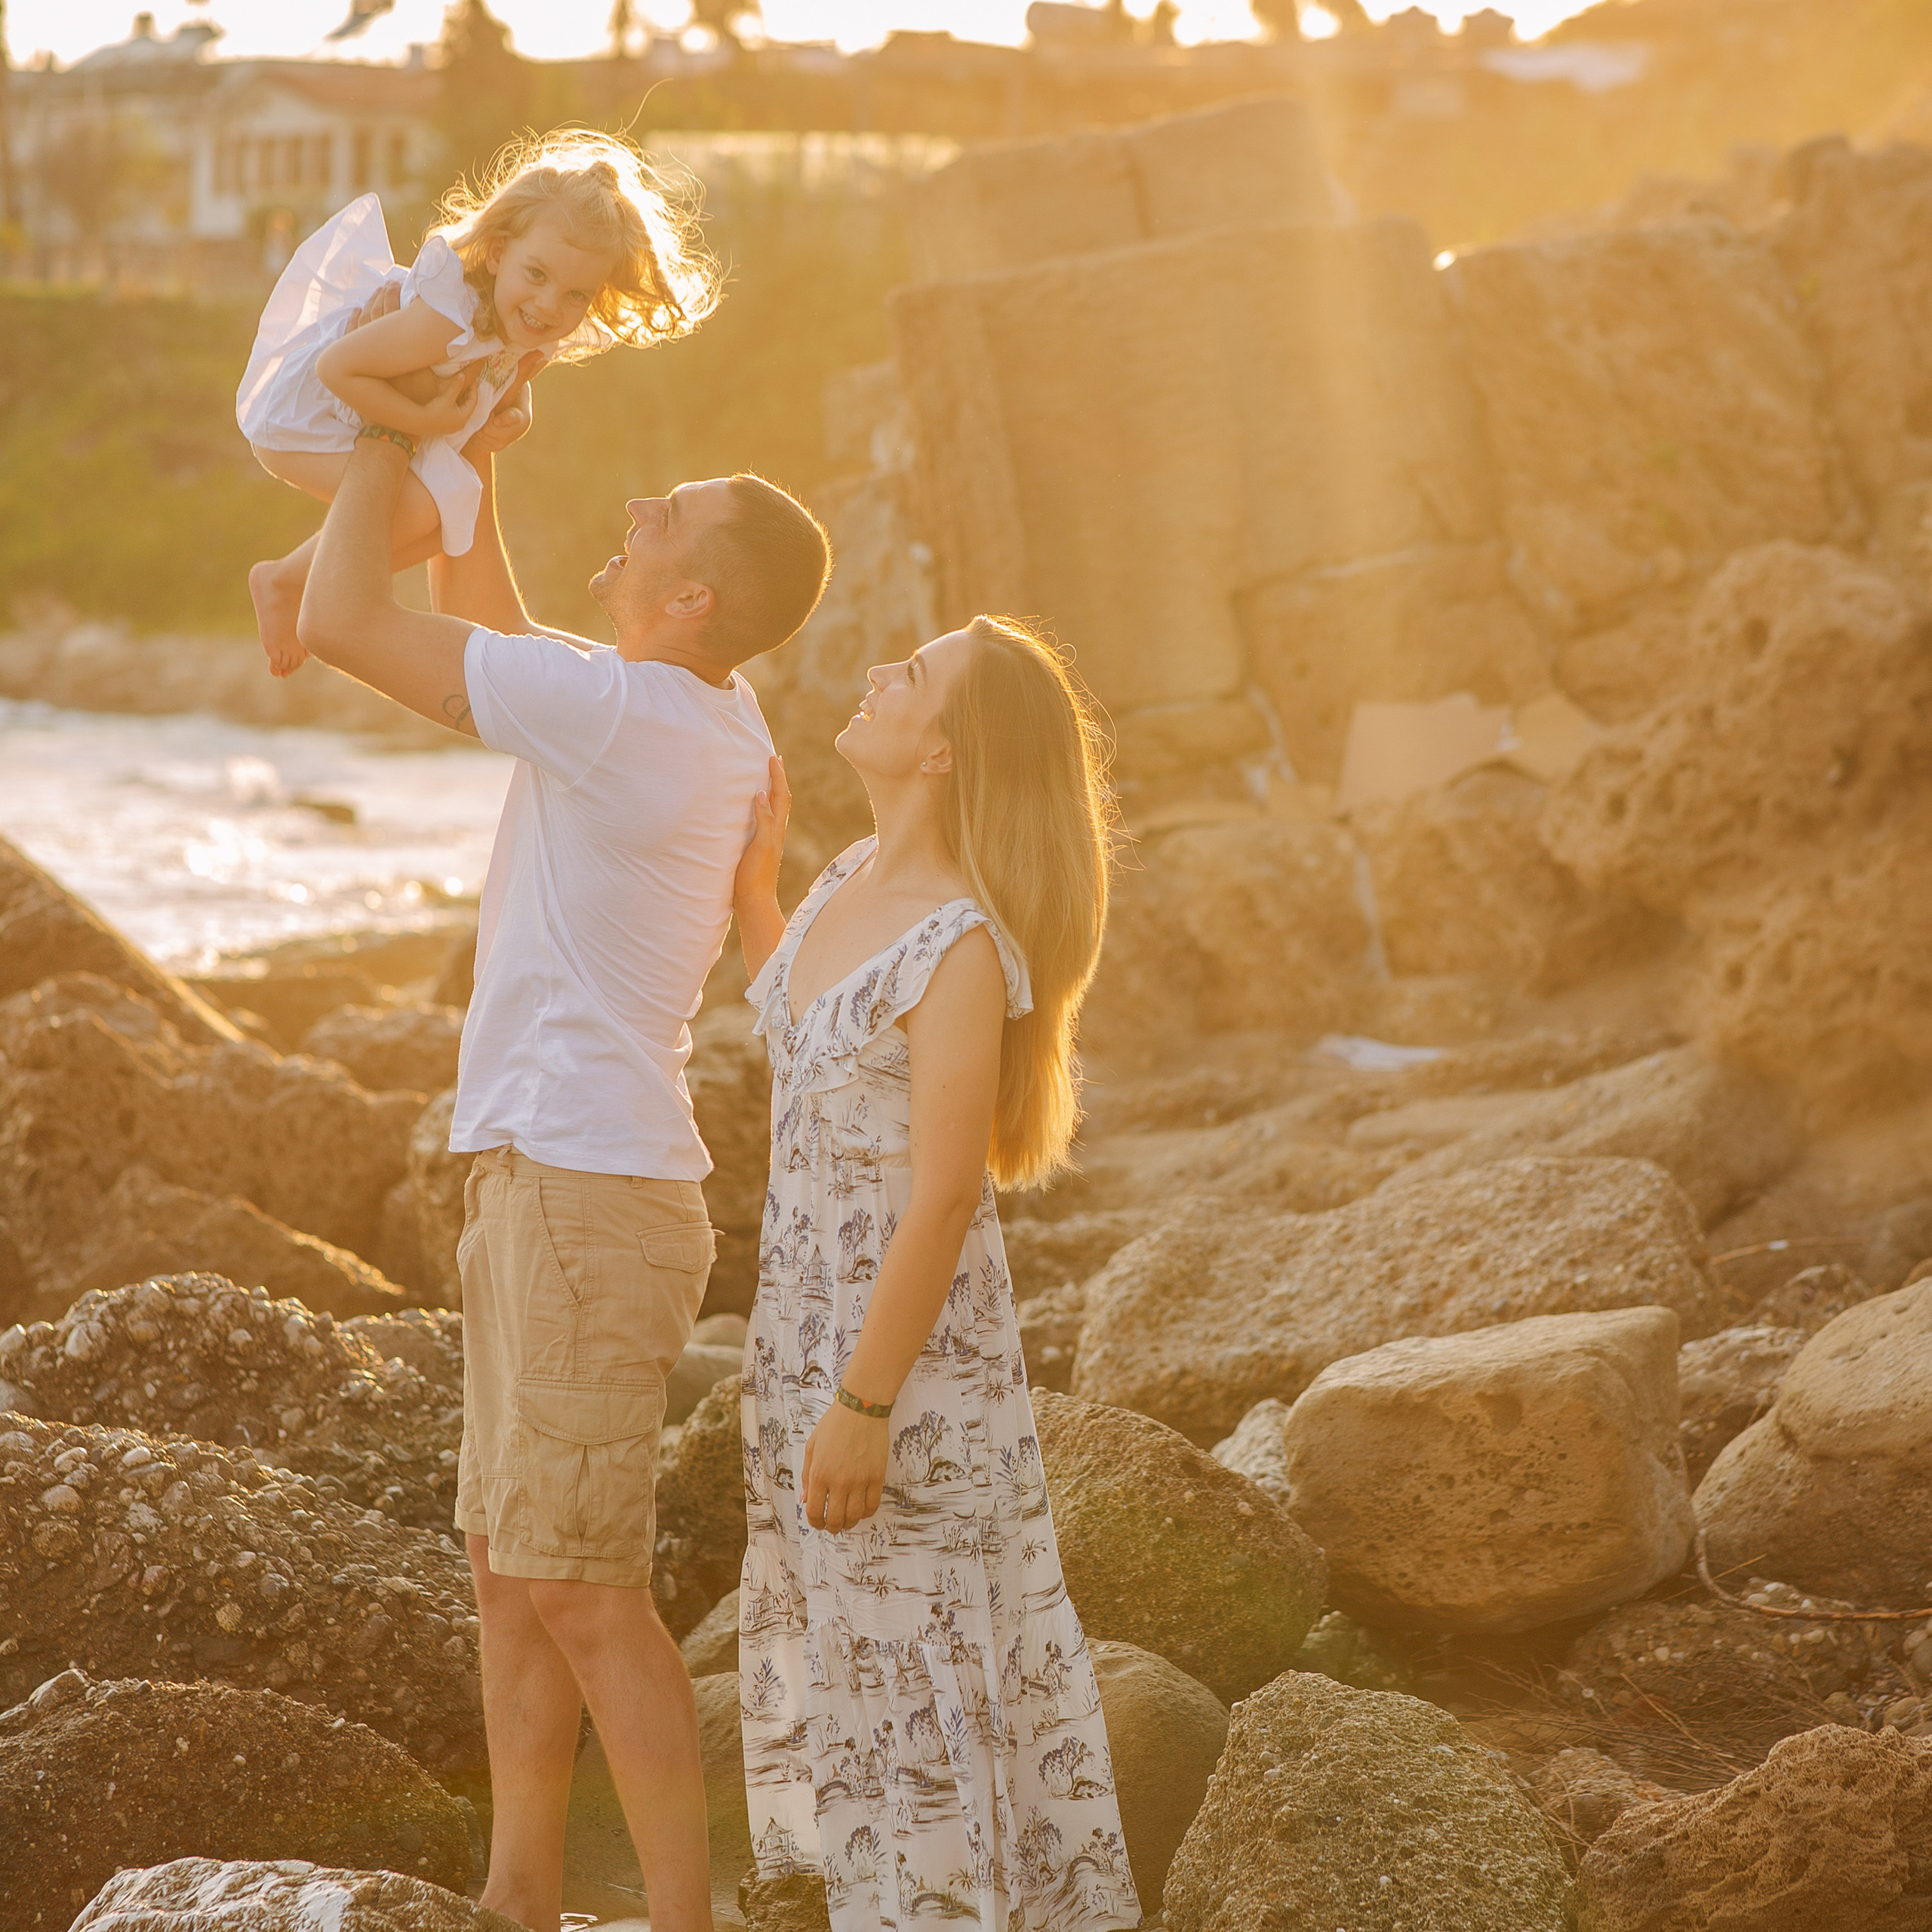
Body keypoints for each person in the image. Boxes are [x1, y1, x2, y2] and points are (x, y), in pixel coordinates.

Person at [294, 391, 831, 1932]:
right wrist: (473, 479)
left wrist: (380, 435)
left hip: (583, 1192)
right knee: (511, 1568)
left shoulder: (628, 717)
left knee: (586, 1591)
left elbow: (342, 614)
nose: (646, 496)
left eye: (671, 505)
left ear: (693, 599)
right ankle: (516, 1893)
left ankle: (683, 1918)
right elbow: (494, 626)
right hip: (549, 1178)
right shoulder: (668, 704)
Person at [729, 617, 1142, 1930]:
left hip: (905, 1380)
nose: (875, 674)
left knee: (930, 1684)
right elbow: (800, 1034)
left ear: (947, 750)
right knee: (862, 1679)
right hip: (804, 1343)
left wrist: (863, 1404)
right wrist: (754, 882)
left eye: (908, 675)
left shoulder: (961, 946)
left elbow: (946, 1193)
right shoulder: (849, 877)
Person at [237, 128, 717, 677]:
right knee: (421, 508)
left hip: (368, 412)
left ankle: (309, 582)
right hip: (303, 417)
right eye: (536, 275)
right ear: (495, 254)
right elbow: (338, 368)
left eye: (575, 295)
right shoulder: (445, 317)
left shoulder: (529, 321)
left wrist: (518, 407)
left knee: (452, 520)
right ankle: (284, 580)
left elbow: (506, 369)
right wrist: (422, 419)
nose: (548, 305)